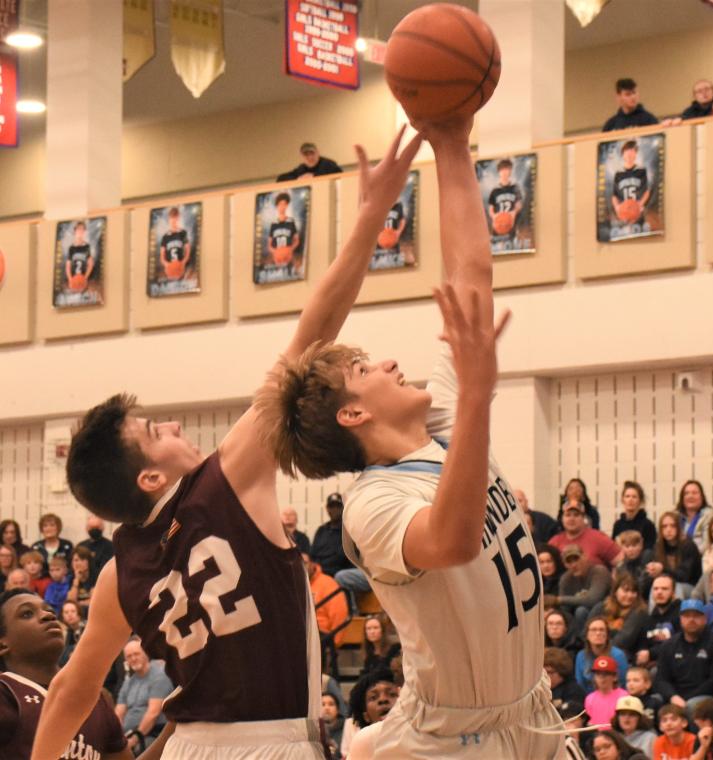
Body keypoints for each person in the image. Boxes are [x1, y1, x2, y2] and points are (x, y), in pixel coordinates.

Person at [32, 126, 424, 760]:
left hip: (188, 746)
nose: (177, 429)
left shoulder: (116, 573)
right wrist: (372, 219)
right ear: (149, 479)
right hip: (271, 744)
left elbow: (71, 691)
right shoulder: (230, 476)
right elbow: (314, 333)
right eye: (157, 433)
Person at [257, 116, 565, 758]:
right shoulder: (373, 506)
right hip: (455, 742)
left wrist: (453, 144)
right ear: (352, 416)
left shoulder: (441, 427)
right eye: (366, 370)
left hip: (530, 715)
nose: (391, 364)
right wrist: (478, 396)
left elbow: (470, 276)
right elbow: (450, 540)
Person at [0, 589, 131, 760]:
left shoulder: (96, 698)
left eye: (50, 610)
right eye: (27, 614)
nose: (47, 616)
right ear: (3, 645)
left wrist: (173, 725)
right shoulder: (6, 692)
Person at [653, 600, 713, 716]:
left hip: (706, 696)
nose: (691, 620)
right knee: (653, 702)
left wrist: (686, 700)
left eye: (696, 616)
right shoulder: (669, 645)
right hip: (676, 696)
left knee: (692, 706)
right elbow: (661, 679)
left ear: (705, 619)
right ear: (681, 619)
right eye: (687, 616)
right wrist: (673, 697)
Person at [115, 639, 174, 755]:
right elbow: (118, 714)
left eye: (136, 654)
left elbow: (153, 713)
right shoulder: (128, 682)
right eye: (129, 656)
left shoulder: (160, 676)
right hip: (127, 736)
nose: (133, 658)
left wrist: (135, 739)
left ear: (146, 653)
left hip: (152, 734)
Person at [615, 573, 681, 666]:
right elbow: (643, 643)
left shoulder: (681, 613)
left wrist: (651, 654)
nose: (659, 592)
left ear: (673, 593)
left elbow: (679, 643)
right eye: (656, 589)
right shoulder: (649, 617)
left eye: (664, 589)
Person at [550, 543, 613, 634]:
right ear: (565, 565)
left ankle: (584, 637)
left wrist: (559, 600)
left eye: (576, 559)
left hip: (606, 614)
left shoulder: (599, 571)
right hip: (579, 619)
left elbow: (593, 599)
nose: (574, 565)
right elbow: (564, 610)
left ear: (585, 557)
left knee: (585, 609)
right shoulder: (566, 579)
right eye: (569, 562)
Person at [550, 501, 623, 570]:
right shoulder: (554, 542)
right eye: (568, 515)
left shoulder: (599, 538)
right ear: (562, 519)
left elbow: (622, 562)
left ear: (583, 518)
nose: (571, 519)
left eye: (576, 515)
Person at [646, 512, 702, 597]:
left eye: (673, 526)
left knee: (676, 588)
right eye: (664, 526)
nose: (668, 530)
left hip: (690, 587)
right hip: (666, 585)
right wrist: (652, 571)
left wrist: (662, 569)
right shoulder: (658, 547)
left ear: (679, 528)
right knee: (656, 588)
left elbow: (684, 577)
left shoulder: (688, 546)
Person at [575, 616, 630, 694]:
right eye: (594, 630)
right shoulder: (581, 656)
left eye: (602, 630)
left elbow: (623, 683)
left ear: (607, 635)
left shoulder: (618, 655)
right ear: (587, 635)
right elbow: (580, 684)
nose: (598, 633)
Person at [584, 654, 629, 727]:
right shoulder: (589, 698)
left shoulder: (624, 696)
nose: (602, 678)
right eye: (598, 674)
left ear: (615, 677)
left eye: (606, 674)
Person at [486, 158, 523, 243]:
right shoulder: (495, 191)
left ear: (510, 171)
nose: (505, 172)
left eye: (507, 169)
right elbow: (491, 208)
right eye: (502, 169)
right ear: (499, 172)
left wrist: (513, 212)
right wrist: (494, 216)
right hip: (499, 222)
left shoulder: (515, 188)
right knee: (496, 247)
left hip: (510, 221)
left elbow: (519, 204)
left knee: (512, 246)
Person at [612, 481, 656, 549]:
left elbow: (649, 549)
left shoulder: (648, 525)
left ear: (640, 501)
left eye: (634, 497)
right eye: (627, 496)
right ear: (622, 500)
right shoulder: (618, 525)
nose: (630, 500)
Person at [676, 480, 713, 551]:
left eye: (694, 493)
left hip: (699, 557)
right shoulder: (675, 515)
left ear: (702, 497)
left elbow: (706, 544)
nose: (690, 496)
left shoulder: (709, 515)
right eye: (686, 493)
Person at [75, 515, 114, 585]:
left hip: (103, 582)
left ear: (102, 528)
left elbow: (108, 569)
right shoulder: (80, 546)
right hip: (82, 582)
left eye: (97, 527)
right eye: (92, 527)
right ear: (87, 528)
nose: (94, 530)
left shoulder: (110, 546)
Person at [360, 613, 402, 677]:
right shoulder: (369, 653)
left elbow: (388, 673)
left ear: (382, 630)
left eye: (375, 628)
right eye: (369, 629)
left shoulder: (394, 648)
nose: (372, 632)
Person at [276, 141, 342, 182]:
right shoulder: (301, 169)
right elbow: (280, 178)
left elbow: (339, 174)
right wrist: (298, 179)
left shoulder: (328, 164)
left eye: (312, 153)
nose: (310, 157)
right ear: (301, 156)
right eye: (306, 155)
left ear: (318, 152)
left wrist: (314, 176)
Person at [159, 206, 191, 281]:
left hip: (181, 268)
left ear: (178, 219)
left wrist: (183, 262)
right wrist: (167, 264)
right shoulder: (165, 236)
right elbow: (161, 256)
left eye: (175, 219)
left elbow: (188, 250)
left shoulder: (183, 233)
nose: (173, 222)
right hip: (170, 269)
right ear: (169, 219)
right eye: (172, 219)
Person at [65, 545, 95, 612]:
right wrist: (77, 580)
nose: (78, 563)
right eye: (75, 560)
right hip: (77, 613)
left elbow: (94, 602)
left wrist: (79, 603)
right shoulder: (70, 578)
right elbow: (70, 602)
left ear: (89, 562)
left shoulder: (95, 576)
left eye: (82, 560)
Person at [321, 691, 345, 760]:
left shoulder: (346, 728)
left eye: (331, 704)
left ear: (337, 710)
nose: (327, 708)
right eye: (322, 704)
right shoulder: (314, 731)